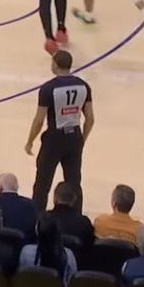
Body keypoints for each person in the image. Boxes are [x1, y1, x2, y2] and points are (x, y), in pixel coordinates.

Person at [25, 50, 94, 211]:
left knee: (42, 184)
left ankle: (38, 217)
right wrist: (82, 139)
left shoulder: (48, 88)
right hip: (74, 136)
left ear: (55, 64)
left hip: (54, 139)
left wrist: (30, 141)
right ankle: (76, 216)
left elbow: (39, 121)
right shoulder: (84, 86)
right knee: (74, 183)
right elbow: (90, 119)